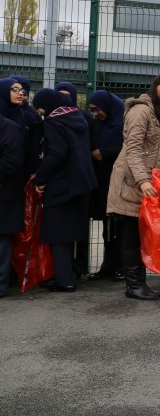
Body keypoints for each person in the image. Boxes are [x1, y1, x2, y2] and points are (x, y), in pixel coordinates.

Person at [107, 73, 160, 301]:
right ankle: (133, 285)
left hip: (146, 182)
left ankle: (140, 283)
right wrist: (143, 180)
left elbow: (153, 152)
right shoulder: (141, 110)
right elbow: (133, 149)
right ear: (155, 87)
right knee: (131, 234)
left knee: (141, 234)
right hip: (132, 181)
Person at [32, 89, 98, 292]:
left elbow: (57, 154)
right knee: (69, 232)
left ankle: (65, 281)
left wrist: (40, 177)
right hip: (82, 183)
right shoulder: (78, 118)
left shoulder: (53, 122)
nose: (41, 113)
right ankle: (69, 273)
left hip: (61, 184)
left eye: (41, 108)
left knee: (56, 233)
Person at [87, 90, 127, 282]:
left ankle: (120, 266)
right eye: (92, 110)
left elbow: (131, 147)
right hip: (102, 180)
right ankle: (108, 266)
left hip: (120, 180)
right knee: (107, 227)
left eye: (97, 109)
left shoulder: (124, 123)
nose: (96, 113)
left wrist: (105, 152)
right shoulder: (98, 124)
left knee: (119, 226)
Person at [0, 112, 25, 298]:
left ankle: (2, 284)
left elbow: (12, 162)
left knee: (2, 240)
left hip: (5, 193)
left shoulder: (9, 129)